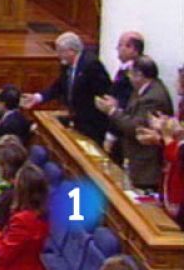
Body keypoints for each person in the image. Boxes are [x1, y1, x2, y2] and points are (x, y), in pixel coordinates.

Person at [95, 55, 173, 190]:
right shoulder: (142, 90)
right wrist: (117, 107)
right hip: (134, 158)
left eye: (130, 73)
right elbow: (131, 114)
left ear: (139, 75)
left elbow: (135, 127)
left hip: (146, 165)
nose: (129, 77)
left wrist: (112, 111)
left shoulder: (153, 97)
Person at [21, 32, 111, 143]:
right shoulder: (66, 64)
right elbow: (59, 86)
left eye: (60, 51)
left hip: (92, 123)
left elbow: (104, 93)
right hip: (77, 118)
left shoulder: (92, 65)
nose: (58, 55)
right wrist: (37, 97)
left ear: (71, 51)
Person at [105, 32, 145, 164]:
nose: (117, 49)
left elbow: (126, 103)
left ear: (133, 49)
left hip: (124, 132)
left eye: (120, 45)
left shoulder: (137, 74)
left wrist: (112, 135)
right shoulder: (124, 69)